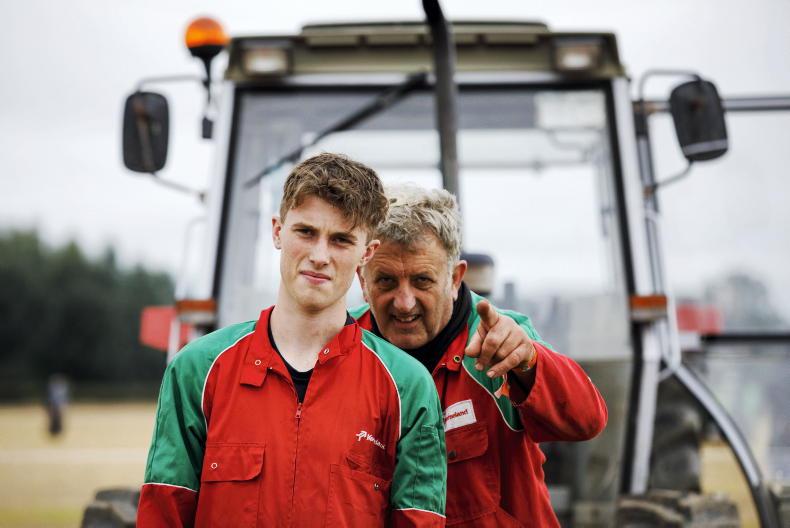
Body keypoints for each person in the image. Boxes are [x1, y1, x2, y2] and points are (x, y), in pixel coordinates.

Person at [138, 154, 447, 527]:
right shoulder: (198, 371)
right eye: (306, 232)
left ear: (367, 253)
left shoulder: (407, 387)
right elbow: (162, 514)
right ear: (277, 231)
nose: (319, 256)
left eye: (341, 240)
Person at [354, 184, 608, 527]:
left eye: (422, 280)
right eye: (385, 281)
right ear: (362, 279)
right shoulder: (344, 347)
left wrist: (530, 363)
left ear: (455, 277)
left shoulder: (503, 342)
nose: (404, 302)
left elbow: (586, 421)